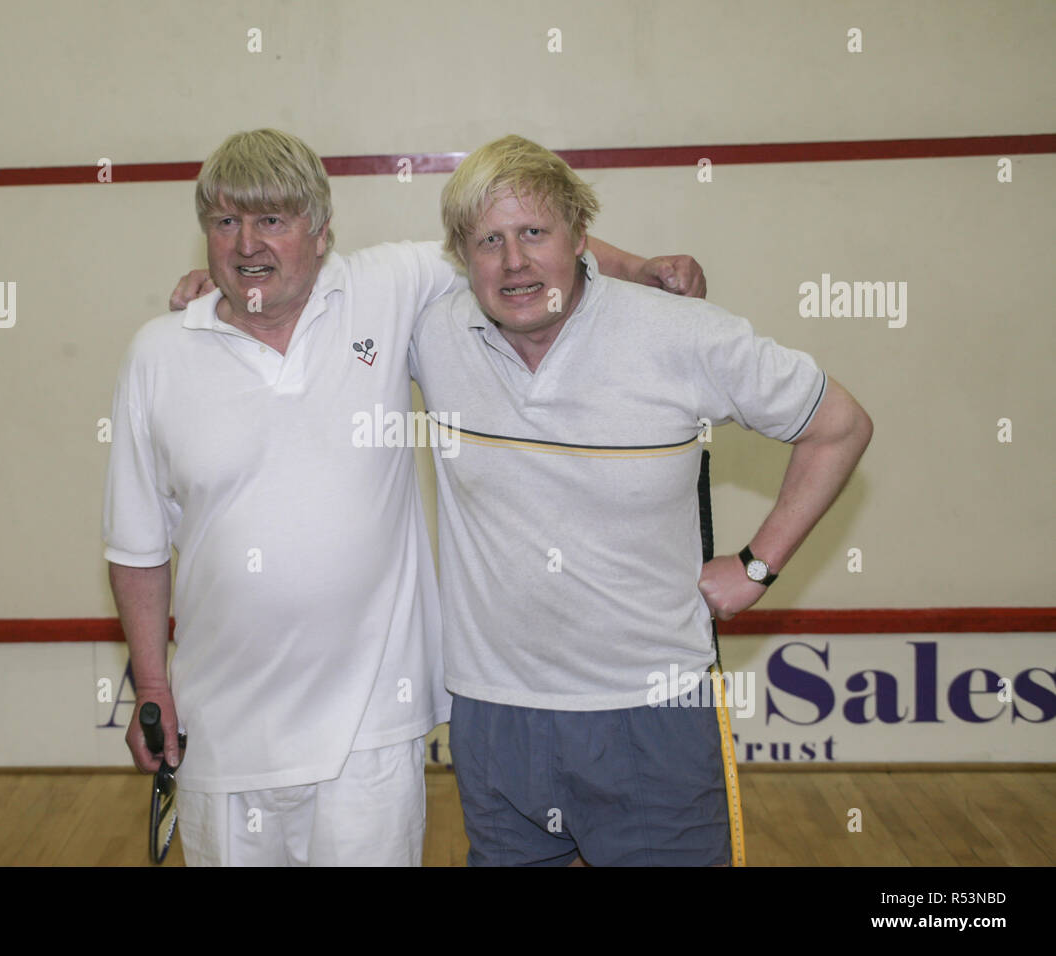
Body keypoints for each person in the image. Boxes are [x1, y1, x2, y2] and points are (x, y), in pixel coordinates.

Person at [107, 128, 702, 866]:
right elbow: (136, 549)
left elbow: (523, 242)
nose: (247, 243)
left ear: (322, 234)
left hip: (373, 739)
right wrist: (154, 685)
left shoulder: (386, 289)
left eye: (272, 220)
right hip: (220, 741)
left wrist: (639, 268)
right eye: (226, 222)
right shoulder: (157, 356)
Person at [408, 135, 873, 866]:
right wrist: (213, 298)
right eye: (489, 241)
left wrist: (757, 565)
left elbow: (839, 425)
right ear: (464, 257)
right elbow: (310, 306)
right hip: (495, 713)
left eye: (535, 232)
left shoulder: (680, 335)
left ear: (580, 237)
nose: (514, 261)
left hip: (653, 714)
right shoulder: (435, 335)